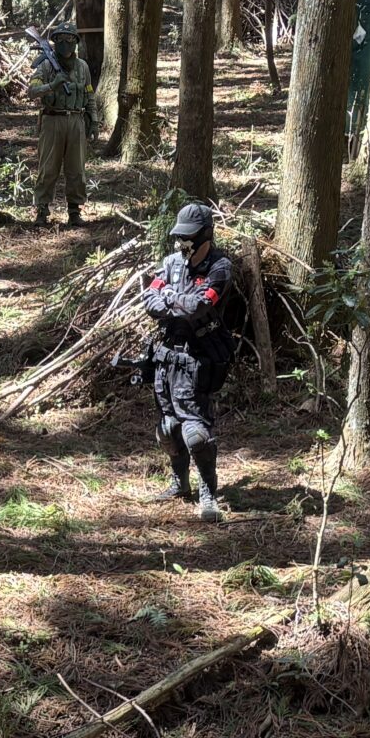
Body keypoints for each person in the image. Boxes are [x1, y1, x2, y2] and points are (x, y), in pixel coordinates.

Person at [140, 202, 238, 522]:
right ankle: (180, 483)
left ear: (205, 235)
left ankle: (208, 492)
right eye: (181, 235)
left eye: (190, 236)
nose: (184, 242)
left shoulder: (220, 267)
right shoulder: (171, 263)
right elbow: (149, 300)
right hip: (167, 358)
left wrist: (169, 297)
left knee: (196, 432)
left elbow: (198, 307)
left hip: (199, 359)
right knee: (167, 429)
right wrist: (171, 300)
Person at [32, 22, 93, 228]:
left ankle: (74, 212)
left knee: (76, 169)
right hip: (52, 120)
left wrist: (93, 120)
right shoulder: (46, 65)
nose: (65, 44)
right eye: (60, 40)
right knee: (48, 168)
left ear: (76, 42)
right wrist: (52, 85)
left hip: (76, 120)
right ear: (54, 42)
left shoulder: (82, 67)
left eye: (70, 40)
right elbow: (31, 91)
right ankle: (42, 211)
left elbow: (89, 95)